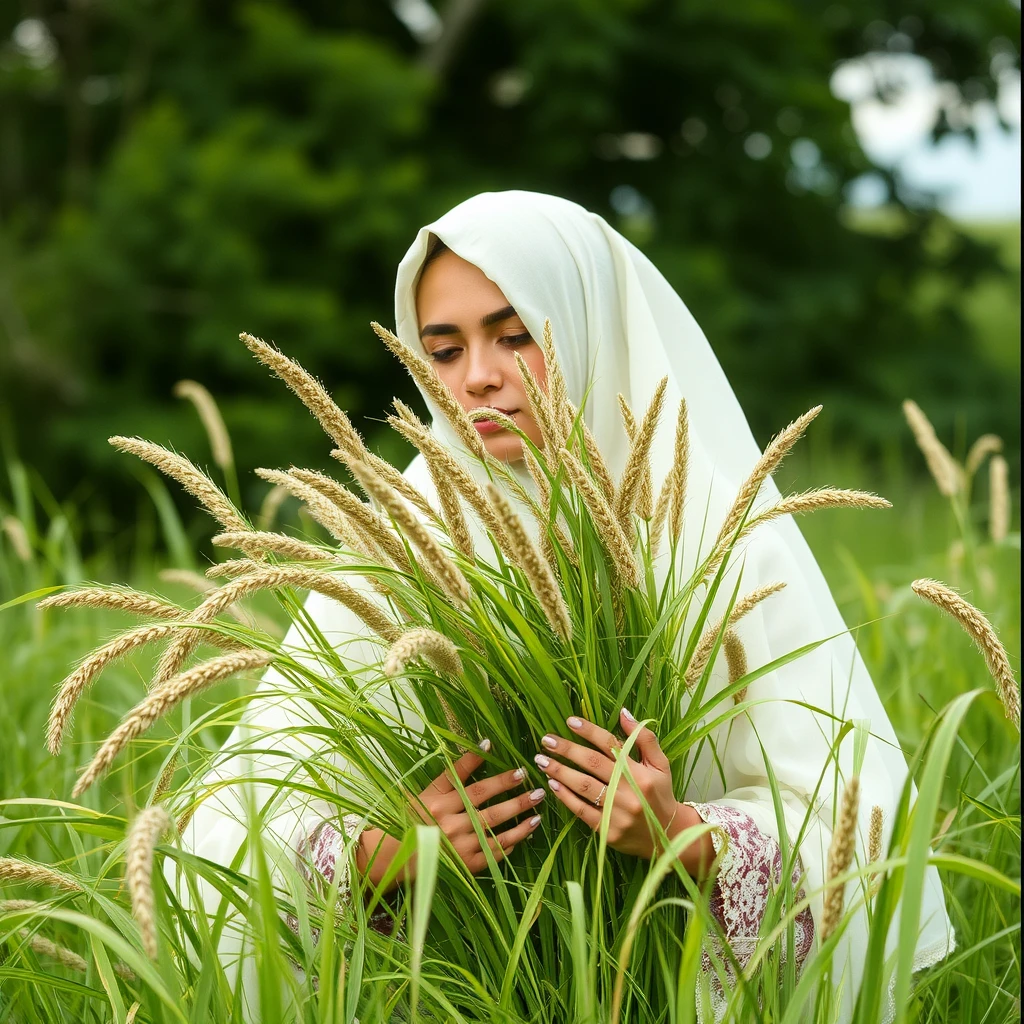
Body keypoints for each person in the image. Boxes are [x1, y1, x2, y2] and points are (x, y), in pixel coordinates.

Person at [166, 191, 954, 1022]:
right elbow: (228, 825)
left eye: (516, 336)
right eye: (444, 348)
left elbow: (855, 835)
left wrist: (681, 834)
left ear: (584, 323)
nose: (478, 375)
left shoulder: (720, 542)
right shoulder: (401, 539)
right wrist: (386, 856)